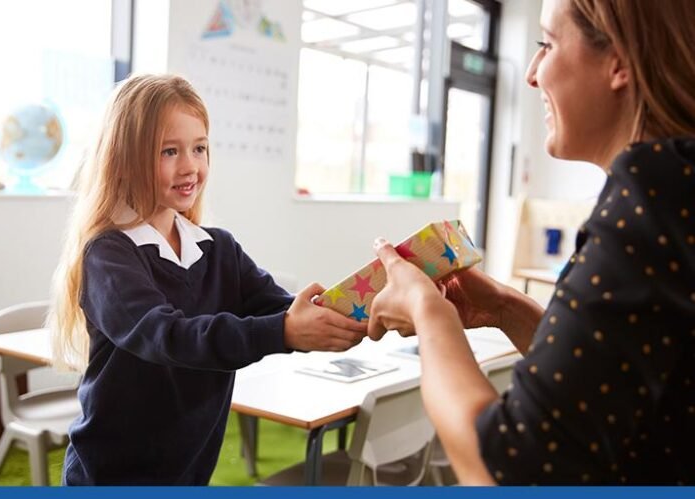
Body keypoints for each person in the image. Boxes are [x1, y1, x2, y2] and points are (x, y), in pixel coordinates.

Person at [367, 0, 695, 485]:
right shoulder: (677, 187)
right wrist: (505, 309)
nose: (533, 74)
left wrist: (426, 310)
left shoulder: (650, 198)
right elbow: (607, 379)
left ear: (620, 61)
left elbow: (509, 467)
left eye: (547, 44)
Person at [48, 74, 367, 485]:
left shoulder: (218, 249)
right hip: (110, 474)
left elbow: (282, 308)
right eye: (169, 151)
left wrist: (359, 307)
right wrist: (285, 332)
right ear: (124, 159)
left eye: (199, 148)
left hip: (190, 470)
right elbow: (167, 335)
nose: (191, 167)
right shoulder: (109, 254)